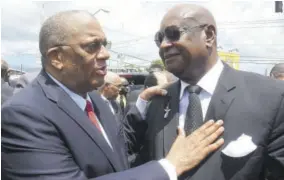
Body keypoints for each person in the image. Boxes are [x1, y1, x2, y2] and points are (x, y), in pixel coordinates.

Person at [1, 10, 225, 180]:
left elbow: (114, 150)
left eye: (105, 44)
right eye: (92, 46)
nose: (106, 54)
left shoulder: (95, 99)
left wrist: (141, 107)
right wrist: (170, 166)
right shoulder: (23, 115)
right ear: (57, 58)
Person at [127, 4, 284, 180]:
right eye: (159, 38)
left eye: (173, 33)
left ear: (208, 35)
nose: (164, 45)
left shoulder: (269, 97)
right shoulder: (157, 102)